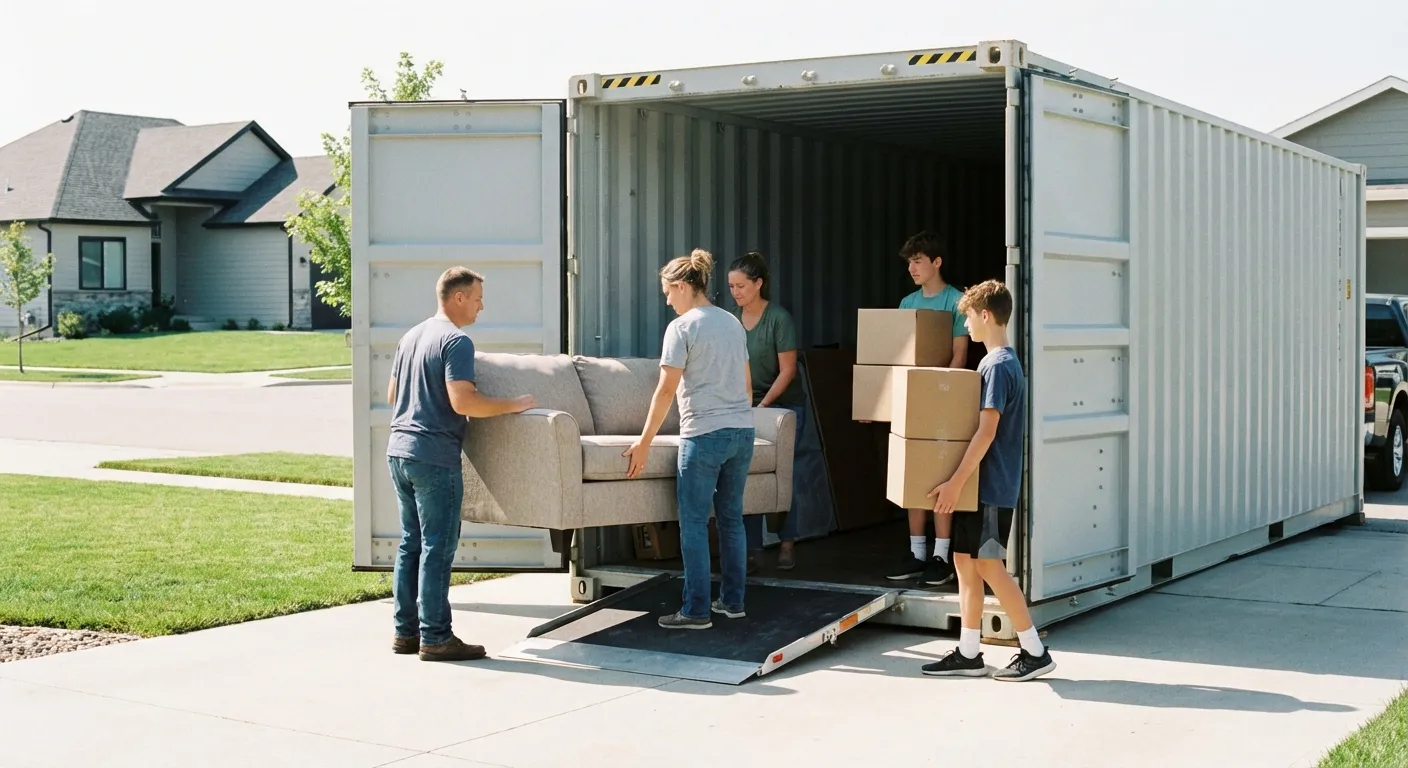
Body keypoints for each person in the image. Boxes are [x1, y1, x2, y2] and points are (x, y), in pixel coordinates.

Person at [385, 267, 536, 662]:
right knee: (437, 548)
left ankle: (406, 633)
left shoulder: (410, 337)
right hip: (433, 457)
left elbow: (391, 394)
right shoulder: (456, 341)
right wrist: (512, 406)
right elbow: (463, 403)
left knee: (410, 544)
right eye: (478, 298)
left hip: (399, 451)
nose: (482, 306)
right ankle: (435, 637)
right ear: (458, 298)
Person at [921, 279, 1056, 682]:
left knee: (990, 566)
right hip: (979, 486)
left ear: (985, 315)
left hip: (989, 487)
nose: (965, 325)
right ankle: (968, 651)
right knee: (964, 561)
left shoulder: (997, 366)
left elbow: (986, 432)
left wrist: (954, 483)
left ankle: (1035, 651)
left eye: (967, 317)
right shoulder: (993, 363)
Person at [624, 248, 755, 630]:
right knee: (732, 521)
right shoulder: (732, 322)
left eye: (668, 292)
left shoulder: (682, 328)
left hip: (704, 435)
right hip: (741, 432)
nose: (667, 300)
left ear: (683, 286)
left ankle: (695, 611)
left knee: (694, 523)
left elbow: (666, 391)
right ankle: (733, 603)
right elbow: (747, 387)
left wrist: (645, 442)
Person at [884, 230, 970, 587]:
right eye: (909, 262)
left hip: (945, 400)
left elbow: (960, 354)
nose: (912, 267)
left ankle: (941, 555)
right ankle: (917, 553)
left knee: (940, 477)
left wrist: (939, 394)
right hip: (912, 399)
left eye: (918, 260)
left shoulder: (957, 302)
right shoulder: (907, 303)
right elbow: (899, 356)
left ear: (937, 262)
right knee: (913, 475)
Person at [728, 252, 807, 572]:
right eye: (731, 286)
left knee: (785, 474)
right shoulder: (731, 320)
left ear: (759, 283)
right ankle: (750, 547)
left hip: (783, 404)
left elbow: (787, 370)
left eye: (742, 286)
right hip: (747, 402)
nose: (736, 292)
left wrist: (761, 407)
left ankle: (787, 542)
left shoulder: (779, 319)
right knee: (746, 474)